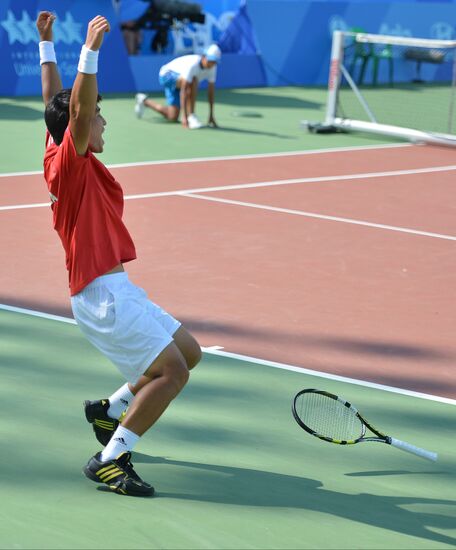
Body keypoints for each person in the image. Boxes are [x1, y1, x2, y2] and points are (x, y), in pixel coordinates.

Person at [36, 11, 201, 497]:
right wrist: (91, 50)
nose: (102, 119)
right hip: (101, 295)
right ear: (78, 129)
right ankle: (111, 459)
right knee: (171, 373)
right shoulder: (72, 161)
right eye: (98, 114)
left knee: (187, 353)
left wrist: (47, 45)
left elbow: (55, 103)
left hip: (115, 288)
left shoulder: (55, 148)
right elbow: (78, 111)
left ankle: (107, 413)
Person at [134, 44, 222, 129]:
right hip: (166, 75)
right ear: (204, 56)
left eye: (214, 61)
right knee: (193, 81)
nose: (211, 64)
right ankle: (191, 116)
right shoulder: (193, 65)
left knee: (172, 116)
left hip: (179, 81)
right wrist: (185, 117)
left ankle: (144, 101)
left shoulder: (212, 68)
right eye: (210, 60)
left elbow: (211, 92)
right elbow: (184, 90)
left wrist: (211, 115)